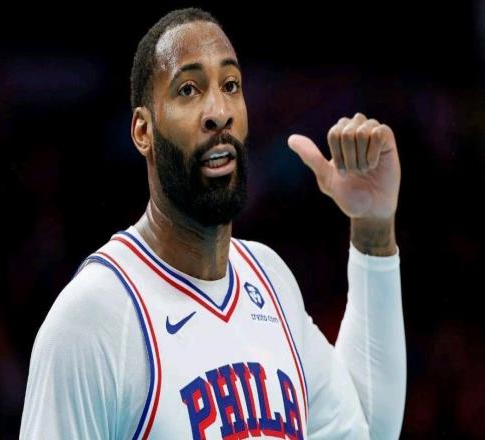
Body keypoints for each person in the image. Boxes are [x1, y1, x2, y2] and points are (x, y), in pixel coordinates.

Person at [20, 7, 406, 440]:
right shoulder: (93, 318)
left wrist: (373, 226)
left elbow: (365, 429)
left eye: (230, 85)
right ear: (143, 131)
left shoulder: (270, 280)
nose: (218, 112)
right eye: (188, 89)